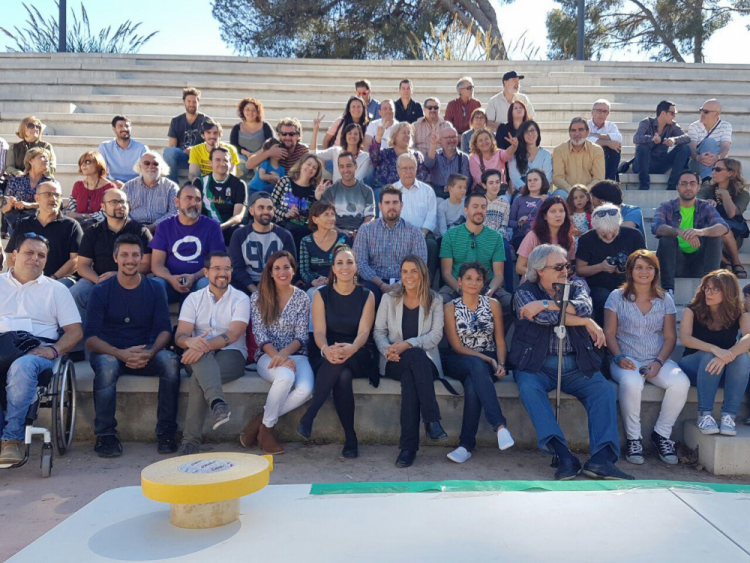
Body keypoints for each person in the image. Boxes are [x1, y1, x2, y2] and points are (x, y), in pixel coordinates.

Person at [513, 244, 632, 480]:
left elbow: (585, 308)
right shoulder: (524, 291)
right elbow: (542, 318)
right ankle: (563, 454)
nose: (565, 270)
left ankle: (601, 459)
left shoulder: (577, 285)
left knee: (604, 391)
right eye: (558, 267)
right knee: (528, 388)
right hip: (537, 367)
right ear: (539, 271)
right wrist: (585, 322)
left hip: (577, 365)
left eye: (566, 265)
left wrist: (546, 303)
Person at [85, 234, 180, 457]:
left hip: (145, 351)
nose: (130, 260)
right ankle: (105, 435)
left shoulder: (155, 288)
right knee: (107, 367)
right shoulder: (100, 291)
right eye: (125, 255)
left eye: (135, 255)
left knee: (171, 362)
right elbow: (90, 337)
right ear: (115, 258)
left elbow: (165, 329)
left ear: (141, 258)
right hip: (110, 351)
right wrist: (120, 353)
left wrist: (150, 352)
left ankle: (166, 432)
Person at [0, 234, 82, 465]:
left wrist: (54, 351)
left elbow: (75, 331)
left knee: (22, 365)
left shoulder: (56, 290)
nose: (35, 259)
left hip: (37, 351)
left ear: (46, 261)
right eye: (29, 253)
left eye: (41, 255)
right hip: (2, 345)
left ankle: (12, 439)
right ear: (14, 255)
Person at [604, 250, 689, 465]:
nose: (644, 272)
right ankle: (634, 439)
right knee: (632, 383)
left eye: (649, 267)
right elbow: (609, 333)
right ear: (630, 270)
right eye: (639, 267)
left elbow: (670, 337)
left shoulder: (665, 299)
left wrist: (659, 362)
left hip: (656, 358)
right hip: (625, 358)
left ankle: (661, 435)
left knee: (681, 382)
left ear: (656, 271)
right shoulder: (616, 296)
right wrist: (619, 357)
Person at [296, 245, 377, 459]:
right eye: (340, 263)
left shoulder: (367, 295)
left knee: (340, 362)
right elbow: (320, 333)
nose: (345, 267)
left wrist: (351, 348)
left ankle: (310, 415)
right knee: (342, 375)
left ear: (356, 267)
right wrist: (325, 350)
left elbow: (364, 332)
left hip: (359, 350)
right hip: (328, 349)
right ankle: (350, 438)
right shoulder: (321, 295)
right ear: (333, 267)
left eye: (349, 262)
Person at [374, 255, 446, 468]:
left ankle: (408, 448)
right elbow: (379, 331)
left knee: (412, 370)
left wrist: (408, 344)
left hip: (426, 361)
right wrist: (388, 351)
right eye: (405, 271)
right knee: (412, 363)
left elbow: (435, 336)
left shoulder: (435, 300)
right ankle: (432, 420)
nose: (409, 276)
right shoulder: (389, 298)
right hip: (393, 359)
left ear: (423, 273)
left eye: (414, 271)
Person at [175, 251, 250, 455]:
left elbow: (233, 334)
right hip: (198, 355)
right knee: (202, 368)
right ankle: (218, 404)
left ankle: (190, 442)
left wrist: (200, 346)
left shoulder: (241, 299)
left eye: (227, 269)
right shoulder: (194, 299)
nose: (222, 273)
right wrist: (189, 341)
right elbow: (180, 334)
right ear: (206, 272)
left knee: (198, 379)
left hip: (231, 353)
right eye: (217, 268)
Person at [240, 251, 313, 454]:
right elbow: (260, 335)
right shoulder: (258, 297)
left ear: (293, 270)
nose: (282, 272)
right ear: (270, 272)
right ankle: (268, 431)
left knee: (306, 390)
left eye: (286, 267)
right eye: (277, 268)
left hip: (297, 354)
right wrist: (277, 357)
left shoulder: (302, 297)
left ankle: (260, 421)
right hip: (267, 356)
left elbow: (301, 336)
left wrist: (285, 355)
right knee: (285, 377)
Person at [443, 262, 514, 464]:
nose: (473, 283)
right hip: (460, 359)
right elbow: (456, 346)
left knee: (474, 383)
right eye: (468, 278)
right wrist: (488, 359)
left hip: (488, 360)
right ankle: (499, 425)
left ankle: (466, 446)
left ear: (483, 283)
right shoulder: (450, 307)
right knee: (476, 365)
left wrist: (500, 363)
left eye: (478, 279)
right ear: (459, 281)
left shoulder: (493, 304)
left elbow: (500, 339)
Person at [679, 270, 750, 437]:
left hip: (722, 367)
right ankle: (704, 415)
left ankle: (728, 417)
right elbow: (685, 339)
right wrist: (715, 350)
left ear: (727, 292)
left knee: (742, 357)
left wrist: (727, 356)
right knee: (710, 356)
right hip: (692, 366)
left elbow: (748, 338)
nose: (708, 293)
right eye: (707, 288)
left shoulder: (739, 313)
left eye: (715, 289)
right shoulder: (692, 309)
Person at [71, 188, 152, 331]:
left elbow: (146, 264)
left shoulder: (140, 231)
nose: (120, 205)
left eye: (123, 202)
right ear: (103, 207)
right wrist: (98, 281)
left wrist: (120, 276)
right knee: (77, 292)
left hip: (132, 279)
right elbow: (83, 265)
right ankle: (79, 347)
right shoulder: (92, 232)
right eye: (114, 202)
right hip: (97, 279)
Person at [439, 192, 513, 328]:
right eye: (475, 206)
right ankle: (454, 345)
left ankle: (495, 340)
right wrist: (461, 290)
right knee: (439, 303)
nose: (479, 210)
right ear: (466, 210)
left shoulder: (495, 237)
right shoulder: (450, 235)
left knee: (510, 304)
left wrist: (489, 292)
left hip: (486, 285)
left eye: (483, 207)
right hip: (457, 285)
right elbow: (447, 273)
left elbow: (499, 274)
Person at [653, 171, 729, 293]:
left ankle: (710, 287)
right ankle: (668, 290)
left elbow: (723, 227)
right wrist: (679, 232)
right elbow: (657, 227)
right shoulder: (667, 207)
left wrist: (700, 232)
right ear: (677, 187)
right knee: (666, 238)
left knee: (715, 238)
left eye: (692, 183)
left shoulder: (705, 207)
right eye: (683, 184)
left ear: (698, 187)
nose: (688, 187)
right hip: (675, 262)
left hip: (700, 262)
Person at [150, 184, 226, 303]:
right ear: (177, 202)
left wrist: (194, 276)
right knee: (156, 284)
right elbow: (156, 264)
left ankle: (199, 322)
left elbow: (216, 263)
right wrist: (170, 278)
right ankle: (161, 321)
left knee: (206, 283)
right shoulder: (164, 226)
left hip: (199, 280)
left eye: (198, 200)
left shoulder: (212, 226)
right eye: (189, 198)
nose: (194, 203)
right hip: (170, 282)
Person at [353, 185, 428, 304]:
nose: (391, 206)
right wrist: (381, 284)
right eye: (387, 203)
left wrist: (400, 284)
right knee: (365, 294)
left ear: (401, 205)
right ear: (380, 206)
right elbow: (360, 262)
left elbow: (420, 264)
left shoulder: (414, 232)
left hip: (405, 281)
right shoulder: (366, 230)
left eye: (395, 202)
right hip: (374, 282)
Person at [576, 203, 646, 325]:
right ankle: (604, 339)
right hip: (598, 285)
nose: (608, 236)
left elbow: (645, 265)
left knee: (631, 298)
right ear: (595, 228)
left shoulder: (634, 235)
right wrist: (601, 267)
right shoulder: (586, 239)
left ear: (619, 225)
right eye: (603, 232)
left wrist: (627, 269)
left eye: (613, 231)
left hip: (629, 283)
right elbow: (580, 269)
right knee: (604, 300)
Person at [6, 181, 83, 288]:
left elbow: (76, 260)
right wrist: (15, 278)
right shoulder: (24, 224)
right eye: (48, 194)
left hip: (60, 280)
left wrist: (52, 278)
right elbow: (11, 255)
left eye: (57, 195)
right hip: (27, 279)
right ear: (37, 198)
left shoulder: (71, 225)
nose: (53, 199)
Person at [229, 191, 297, 297]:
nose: (266, 211)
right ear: (251, 211)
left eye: (269, 208)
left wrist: (270, 288)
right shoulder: (239, 235)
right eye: (261, 207)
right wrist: (254, 290)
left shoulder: (284, 235)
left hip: (276, 283)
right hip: (246, 284)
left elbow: (291, 266)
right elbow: (237, 268)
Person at [698, 158, 749, 278]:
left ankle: (734, 262)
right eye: (713, 169)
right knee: (711, 229)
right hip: (709, 237)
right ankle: (728, 262)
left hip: (733, 239)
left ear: (730, 173)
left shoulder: (743, 194)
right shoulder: (706, 190)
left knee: (722, 226)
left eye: (718, 169)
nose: (713, 172)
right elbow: (697, 203)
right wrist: (707, 202)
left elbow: (732, 213)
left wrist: (725, 194)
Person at [393, 153, 439, 279]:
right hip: (397, 234)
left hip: (423, 233)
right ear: (398, 170)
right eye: (404, 168)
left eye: (411, 168)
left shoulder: (427, 190)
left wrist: (421, 235)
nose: (408, 172)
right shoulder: (391, 190)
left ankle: (427, 285)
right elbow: (386, 216)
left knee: (432, 245)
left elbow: (431, 216)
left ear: (416, 169)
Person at [193, 146, 247, 246]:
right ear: (210, 162)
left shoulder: (239, 184)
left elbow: (238, 216)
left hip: (228, 227)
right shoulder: (200, 183)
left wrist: (220, 227)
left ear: (231, 164)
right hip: (205, 227)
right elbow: (195, 212)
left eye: (225, 160)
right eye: (218, 160)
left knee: (240, 230)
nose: (222, 163)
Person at [632, 100, 691, 191]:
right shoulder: (647, 122)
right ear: (663, 113)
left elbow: (687, 138)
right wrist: (652, 139)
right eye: (672, 113)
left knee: (684, 147)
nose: (674, 116)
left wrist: (674, 140)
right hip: (642, 164)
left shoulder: (672, 125)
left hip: (660, 163)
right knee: (642, 147)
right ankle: (644, 185)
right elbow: (636, 138)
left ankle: (672, 184)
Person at [271, 153, 326, 246]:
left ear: (316, 172)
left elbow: (316, 217)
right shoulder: (284, 181)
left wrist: (317, 198)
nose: (310, 168)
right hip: (282, 225)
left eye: (314, 167)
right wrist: (285, 214)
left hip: (303, 230)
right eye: (308, 164)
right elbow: (270, 205)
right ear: (301, 164)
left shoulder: (314, 190)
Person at [299, 201, 352, 297]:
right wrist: (313, 281)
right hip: (316, 285)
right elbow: (304, 270)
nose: (331, 218)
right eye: (326, 214)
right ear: (315, 219)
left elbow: (350, 266)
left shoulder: (343, 239)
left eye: (332, 214)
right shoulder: (306, 241)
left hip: (340, 282)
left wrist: (333, 280)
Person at [516, 196, 575, 277]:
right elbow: (519, 267)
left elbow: (567, 267)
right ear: (544, 216)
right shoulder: (533, 236)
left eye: (561, 211)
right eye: (553, 211)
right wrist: (543, 274)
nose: (558, 215)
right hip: (535, 283)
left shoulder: (569, 238)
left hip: (559, 283)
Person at [122, 151, 178, 232]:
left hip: (162, 229)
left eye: (155, 164)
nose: (151, 166)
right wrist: (134, 226)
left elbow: (174, 211)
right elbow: (122, 210)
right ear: (140, 166)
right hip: (132, 228)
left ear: (161, 167)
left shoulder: (171, 187)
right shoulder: (128, 186)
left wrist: (154, 226)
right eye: (147, 163)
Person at [164, 87, 212, 184]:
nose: (191, 104)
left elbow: (211, 143)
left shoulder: (206, 121)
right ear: (184, 102)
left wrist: (194, 150)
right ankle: (172, 186)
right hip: (183, 156)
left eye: (194, 102)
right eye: (189, 101)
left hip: (200, 157)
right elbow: (172, 146)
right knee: (168, 151)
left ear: (199, 102)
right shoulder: (176, 121)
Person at [319, 152, 375, 234]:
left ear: (355, 166)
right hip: (335, 234)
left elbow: (369, 217)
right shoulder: (330, 190)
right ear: (338, 168)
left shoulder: (367, 191)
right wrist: (341, 232)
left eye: (349, 166)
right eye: (342, 167)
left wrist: (359, 233)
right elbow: (325, 218)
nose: (345, 170)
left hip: (361, 234)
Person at [1, 147, 52, 233]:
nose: (46, 160)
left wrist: (30, 205)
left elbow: (57, 205)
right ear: (30, 161)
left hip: (42, 224)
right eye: (42, 157)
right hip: (18, 224)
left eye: (48, 158)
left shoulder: (50, 183)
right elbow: (4, 210)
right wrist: (10, 203)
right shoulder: (16, 181)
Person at [551, 118, 605, 195]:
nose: (577, 133)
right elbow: (557, 177)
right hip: (566, 191)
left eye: (581, 130)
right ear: (569, 133)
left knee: (600, 196)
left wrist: (585, 190)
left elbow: (598, 178)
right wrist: (570, 190)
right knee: (560, 195)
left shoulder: (596, 150)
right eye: (573, 130)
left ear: (587, 132)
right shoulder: (559, 150)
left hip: (589, 191)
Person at [368, 122, 429, 189]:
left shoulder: (416, 155)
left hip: (409, 191)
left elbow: (422, 175)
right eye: (404, 132)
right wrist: (378, 137)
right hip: (384, 191)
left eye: (408, 133)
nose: (407, 135)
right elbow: (373, 158)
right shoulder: (385, 153)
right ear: (395, 136)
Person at [311, 115, 371, 182]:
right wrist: (315, 130)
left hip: (354, 190)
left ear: (360, 137)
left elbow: (358, 178)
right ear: (345, 136)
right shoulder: (335, 151)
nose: (353, 136)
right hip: (337, 190)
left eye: (356, 134)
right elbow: (313, 154)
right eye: (349, 133)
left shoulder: (365, 157)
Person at [65, 151, 115, 229]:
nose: (83, 165)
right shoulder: (78, 185)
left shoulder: (109, 187)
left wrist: (82, 216)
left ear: (98, 164)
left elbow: (107, 212)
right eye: (81, 163)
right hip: (79, 225)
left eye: (87, 162)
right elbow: (72, 209)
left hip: (100, 227)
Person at [230, 97, 274, 182]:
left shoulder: (265, 126)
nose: (250, 112)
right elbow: (233, 146)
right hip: (243, 155)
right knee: (240, 167)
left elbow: (270, 143)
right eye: (247, 109)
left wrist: (256, 155)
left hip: (261, 155)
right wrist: (247, 154)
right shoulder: (237, 128)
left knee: (260, 171)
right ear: (242, 111)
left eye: (253, 110)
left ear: (258, 112)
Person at [689, 99, 732, 182]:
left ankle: (707, 180)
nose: (702, 114)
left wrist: (717, 157)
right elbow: (692, 148)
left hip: (718, 164)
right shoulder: (694, 126)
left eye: (706, 112)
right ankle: (707, 179)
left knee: (710, 142)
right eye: (701, 110)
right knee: (709, 142)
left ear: (716, 114)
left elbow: (725, 147)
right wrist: (699, 157)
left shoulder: (726, 126)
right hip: (698, 163)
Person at [424, 123, 471, 199]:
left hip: (457, 194)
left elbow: (467, 180)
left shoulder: (464, 157)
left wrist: (453, 188)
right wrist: (433, 144)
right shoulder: (435, 154)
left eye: (454, 137)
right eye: (448, 137)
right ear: (441, 140)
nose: (451, 140)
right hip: (437, 194)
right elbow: (428, 165)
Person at [98, 116, 149, 187]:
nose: (124, 129)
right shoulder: (104, 147)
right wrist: (113, 183)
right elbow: (100, 172)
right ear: (114, 129)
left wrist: (128, 186)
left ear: (131, 129)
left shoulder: (141, 148)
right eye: (120, 126)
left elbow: (146, 173)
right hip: (113, 185)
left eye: (127, 126)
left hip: (136, 186)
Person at [509, 168, 549, 250]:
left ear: (543, 181)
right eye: (529, 180)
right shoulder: (519, 199)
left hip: (541, 235)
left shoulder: (548, 200)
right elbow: (509, 222)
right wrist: (519, 223)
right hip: (521, 236)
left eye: (535, 180)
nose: (532, 182)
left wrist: (544, 203)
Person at [509, 120, 552, 193]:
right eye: (526, 132)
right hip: (522, 192)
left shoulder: (546, 154)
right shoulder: (515, 155)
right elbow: (515, 178)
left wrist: (536, 192)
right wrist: (527, 191)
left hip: (541, 191)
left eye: (533, 130)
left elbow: (547, 177)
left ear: (538, 133)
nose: (530, 134)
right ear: (522, 135)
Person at [587, 99, 623, 181]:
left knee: (615, 150)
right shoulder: (585, 124)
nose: (602, 114)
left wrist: (597, 135)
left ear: (608, 114)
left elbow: (619, 138)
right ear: (592, 112)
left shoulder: (611, 126)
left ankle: (609, 181)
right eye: (599, 111)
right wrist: (608, 142)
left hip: (605, 156)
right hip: (587, 155)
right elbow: (584, 140)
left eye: (605, 111)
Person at [482, 169, 511, 237]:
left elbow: (504, 226)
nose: (495, 186)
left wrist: (495, 238)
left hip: (498, 238)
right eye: (491, 183)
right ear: (484, 185)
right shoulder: (477, 202)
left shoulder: (505, 204)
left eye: (497, 182)